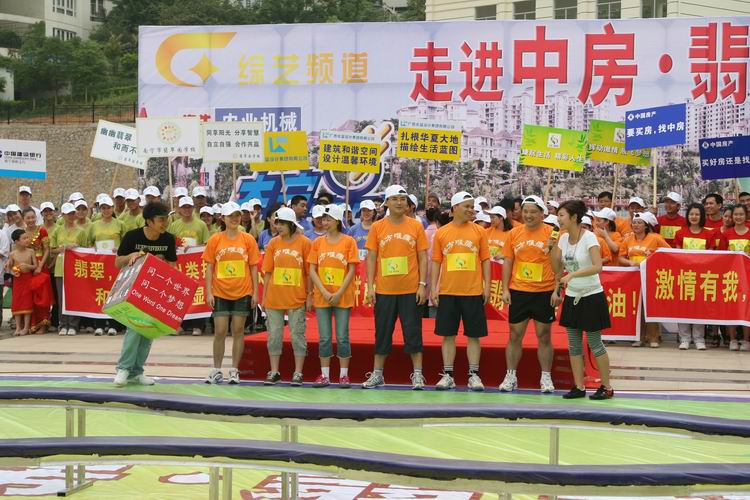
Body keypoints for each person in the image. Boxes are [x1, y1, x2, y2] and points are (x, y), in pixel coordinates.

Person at [363, 185, 428, 390]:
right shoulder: (377, 227)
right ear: (387, 203)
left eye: (403, 198)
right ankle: (377, 374)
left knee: (413, 333)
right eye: (395, 199)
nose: (399, 202)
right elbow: (371, 257)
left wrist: (422, 285)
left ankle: (418, 375)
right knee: (382, 333)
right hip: (384, 290)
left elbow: (423, 257)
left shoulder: (416, 226)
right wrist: (370, 286)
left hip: (410, 290)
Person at [553, 200, 614, 400]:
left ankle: (606, 387)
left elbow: (597, 266)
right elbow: (557, 269)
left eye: (561, 215)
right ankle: (579, 387)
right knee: (574, 345)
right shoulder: (562, 239)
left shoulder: (589, 238)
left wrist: (572, 275)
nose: (558, 219)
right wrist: (557, 289)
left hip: (591, 295)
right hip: (572, 296)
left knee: (595, 343)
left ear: (574, 217)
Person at [431, 192, 491, 391]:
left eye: (472, 206)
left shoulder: (480, 232)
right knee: (448, 334)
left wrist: (487, 286)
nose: (471, 210)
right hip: (448, 291)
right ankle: (448, 375)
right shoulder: (442, 233)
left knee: (474, 335)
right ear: (455, 208)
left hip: (473, 292)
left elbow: (485, 260)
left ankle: (474, 375)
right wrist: (434, 288)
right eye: (467, 206)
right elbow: (436, 262)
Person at [114, 202, 178, 387]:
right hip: (134, 289)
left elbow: (173, 266)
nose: (165, 223)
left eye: (166, 219)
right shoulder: (132, 236)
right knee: (134, 328)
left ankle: (137, 372)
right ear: (149, 221)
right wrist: (132, 256)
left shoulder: (168, 239)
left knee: (148, 331)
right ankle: (123, 369)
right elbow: (118, 262)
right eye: (161, 220)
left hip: (155, 291)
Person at [499, 195, 559, 393]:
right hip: (519, 291)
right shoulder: (514, 233)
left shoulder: (553, 234)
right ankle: (510, 376)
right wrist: (505, 288)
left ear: (542, 214)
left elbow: (559, 264)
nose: (528, 215)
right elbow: (508, 261)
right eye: (525, 211)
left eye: (533, 212)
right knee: (515, 335)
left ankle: (546, 377)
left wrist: (557, 289)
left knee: (544, 336)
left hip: (544, 292)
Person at [203, 202, 260, 385]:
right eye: (230, 216)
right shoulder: (215, 239)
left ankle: (234, 370)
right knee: (220, 331)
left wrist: (255, 293)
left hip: (242, 292)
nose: (234, 219)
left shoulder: (248, 239)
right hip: (220, 292)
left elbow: (253, 267)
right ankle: (216, 370)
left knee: (238, 331)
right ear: (223, 218)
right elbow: (209, 267)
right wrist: (209, 292)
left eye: (237, 215)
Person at [308, 204, 359, 388]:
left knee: (342, 336)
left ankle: (343, 375)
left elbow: (351, 270)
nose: (324, 222)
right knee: (324, 337)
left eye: (328, 219)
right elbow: (312, 270)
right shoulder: (317, 243)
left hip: (342, 296)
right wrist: (323, 291)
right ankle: (325, 375)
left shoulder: (349, 242)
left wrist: (338, 293)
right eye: (323, 219)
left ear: (337, 221)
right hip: (322, 296)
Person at [261, 207, 312, 386]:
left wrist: (310, 295)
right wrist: (264, 297)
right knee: (274, 335)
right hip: (274, 297)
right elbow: (268, 271)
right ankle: (274, 372)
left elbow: (309, 273)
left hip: (296, 297)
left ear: (291, 224)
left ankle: (298, 373)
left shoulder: (305, 243)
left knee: (297, 335)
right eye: (277, 223)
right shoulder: (273, 244)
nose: (278, 226)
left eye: (282, 223)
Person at [618, 212, 670, 348]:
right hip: (633, 277)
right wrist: (629, 263)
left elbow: (668, 253)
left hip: (651, 277)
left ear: (646, 226)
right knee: (636, 308)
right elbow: (621, 258)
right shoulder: (627, 240)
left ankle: (653, 338)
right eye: (634, 223)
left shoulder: (655, 239)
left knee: (650, 307)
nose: (636, 225)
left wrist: (654, 260)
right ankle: (638, 337)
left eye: (639, 223)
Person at [672, 203, 713, 351]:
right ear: (687, 216)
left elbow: (712, 257)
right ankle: (684, 338)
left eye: (697, 214)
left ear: (702, 216)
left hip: (702, 277)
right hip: (685, 276)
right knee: (683, 306)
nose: (694, 217)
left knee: (700, 307)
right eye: (691, 214)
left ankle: (699, 338)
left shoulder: (709, 234)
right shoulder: (680, 233)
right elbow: (677, 255)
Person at [85, 195, 126, 337]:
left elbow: (126, 243)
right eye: (103, 208)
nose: (106, 210)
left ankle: (114, 324)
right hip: (99, 265)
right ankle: (100, 324)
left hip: (115, 264)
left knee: (114, 292)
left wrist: (119, 248)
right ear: (100, 209)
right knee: (99, 292)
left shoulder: (120, 224)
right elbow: (89, 244)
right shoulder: (94, 225)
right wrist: (93, 249)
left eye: (108, 207)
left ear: (112, 208)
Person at [50, 203, 87, 336]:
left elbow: (86, 250)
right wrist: (62, 248)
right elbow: (52, 250)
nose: (71, 216)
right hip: (60, 268)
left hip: (75, 268)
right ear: (63, 215)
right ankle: (63, 323)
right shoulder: (57, 230)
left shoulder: (81, 231)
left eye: (72, 213)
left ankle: (73, 324)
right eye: (68, 214)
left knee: (74, 297)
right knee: (61, 298)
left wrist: (76, 247)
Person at [720, 204, 750, 351]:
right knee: (731, 307)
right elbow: (721, 257)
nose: (738, 217)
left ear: (746, 216)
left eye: (741, 214)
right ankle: (732, 339)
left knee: (746, 308)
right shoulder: (727, 234)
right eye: (736, 214)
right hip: (730, 277)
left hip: (748, 276)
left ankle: (746, 340)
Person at [22, 208, 52, 335]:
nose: (31, 220)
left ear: (36, 217)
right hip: (28, 265)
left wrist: (40, 266)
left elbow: (47, 250)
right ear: (24, 219)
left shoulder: (42, 230)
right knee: (30, 295)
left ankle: (43, 324)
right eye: (28, 218)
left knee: (42, 295)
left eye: (32, 217)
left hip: (40, 265)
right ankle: (32, 324)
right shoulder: (23, 232)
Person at [7, 229, 36, 336]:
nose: (27, 240)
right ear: (17, 241)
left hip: (28, 279)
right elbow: (9, 267)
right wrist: (12, 271)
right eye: (24, 238)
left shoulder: (31, 251)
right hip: (17, 280)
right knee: (17, 302)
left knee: (27, 302)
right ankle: (18, 327)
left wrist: (28, 266)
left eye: (27, 237)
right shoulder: (12, 254)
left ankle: (26, 327)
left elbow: (35, 266)